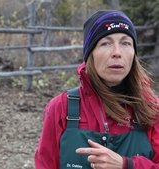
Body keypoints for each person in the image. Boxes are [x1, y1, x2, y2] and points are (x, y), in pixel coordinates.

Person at [34, 10, 159, 169]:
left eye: (126, 43)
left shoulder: (152, 109)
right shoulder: (61, 108)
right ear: (90, 54)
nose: (117, 53)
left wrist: (127, 165)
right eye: (105, 43)